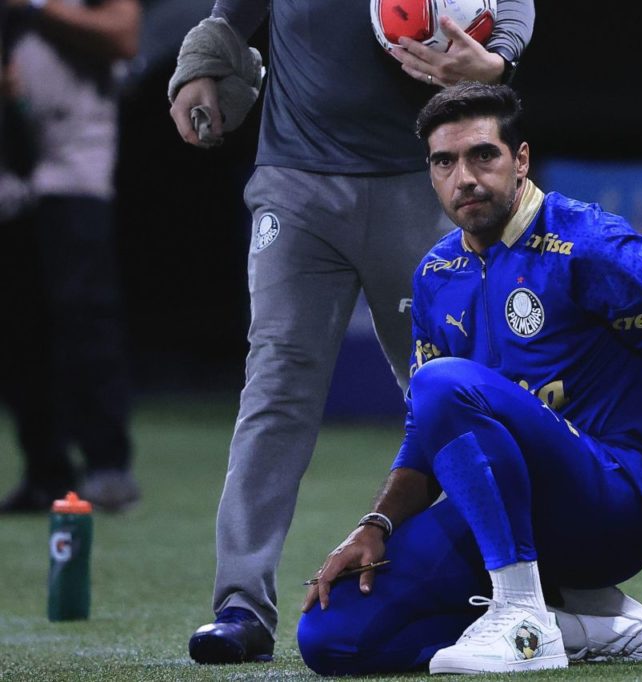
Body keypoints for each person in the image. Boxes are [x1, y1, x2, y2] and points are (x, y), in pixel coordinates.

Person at [295, 82, 642, 676]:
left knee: (441, 383)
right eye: (444, 162)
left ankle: (522, 612)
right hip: (511, 514)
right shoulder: (436, 273)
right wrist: (376, 524)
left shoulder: (592, 246)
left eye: (484, 155)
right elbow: (428, 430)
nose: (465, 178)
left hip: (615, 504)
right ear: (429, 174)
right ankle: (582, 626)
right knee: (332, 637)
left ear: (521, 159)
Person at [167, 0, 537, 665]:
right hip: (295, 184)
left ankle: (515, 592)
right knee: (276, 386)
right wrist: (203, 62)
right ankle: (240, 606)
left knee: (449, 394)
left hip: (419, 185)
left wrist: (498, 56)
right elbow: (234, 14)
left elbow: (509, 8)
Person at [0, 0, 141, 513]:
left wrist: (33, 8)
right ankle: (45, 471)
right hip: (9, 169)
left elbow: (124, 34)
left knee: (85, 318)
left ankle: (107, 466)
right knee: (17, 330)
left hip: (73, 164)